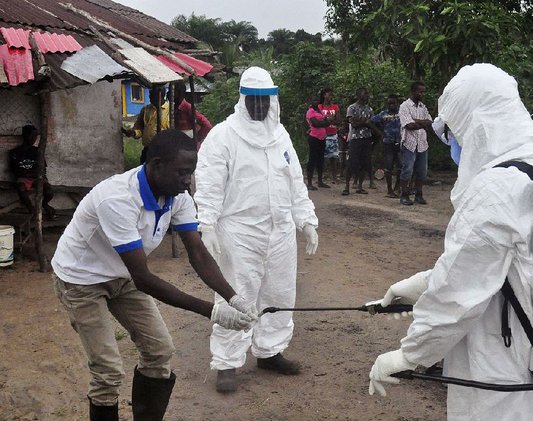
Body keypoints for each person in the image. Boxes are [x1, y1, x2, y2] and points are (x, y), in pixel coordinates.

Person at [368, 64, 533, 420]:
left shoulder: (495, 189)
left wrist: (410, 354)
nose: (455, 142)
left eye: (456, 130)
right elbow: (505, 263)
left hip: (508, 371)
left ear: (477, 124)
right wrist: (421, 284)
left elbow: (458, 293)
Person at [51, 129, 257, 420]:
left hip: (122, 276)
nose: (188, 180)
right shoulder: (118, 198)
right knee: (108, 370)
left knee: (159, 352)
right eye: (182, 172)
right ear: (156, 164)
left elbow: (197, 253)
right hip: (81, 280)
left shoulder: (177, 195)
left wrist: (234, 298)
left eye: (191, 172)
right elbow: (144, 278)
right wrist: (213, 312)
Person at [194, 66, 319, 394]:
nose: (261, 107)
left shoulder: (281, 136)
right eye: (255, 100)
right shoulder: (223, 135)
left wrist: (306, 220)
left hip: (280, 232)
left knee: (279, 293)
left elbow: (295, 181)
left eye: (266, 100)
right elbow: (208, 183)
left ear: (273, 101)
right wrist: (205, 224)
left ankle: (270, 350)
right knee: (237, 294)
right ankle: (227, 361)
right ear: (243, 99)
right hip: (239, 232)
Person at [8, 124, 56, 220]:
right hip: (24, 178)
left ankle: (45, 205)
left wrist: (33, 174)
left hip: (37, 178)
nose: (34, 138)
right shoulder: (15, 152)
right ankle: (32, 211)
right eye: (32, 135)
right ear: (24, 135)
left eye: (35, 136)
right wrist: (30, 173)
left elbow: (43, 169)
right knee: (21, 189)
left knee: (49, 192)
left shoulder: (38, 151)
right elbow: (15, 171)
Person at [398, 82, 433, 205]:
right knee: (407, 169)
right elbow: (409, 125)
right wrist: (422, 123)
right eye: (420, 92)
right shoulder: (404, 106)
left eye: (423, 92)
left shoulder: (423, 107)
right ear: (413, 91)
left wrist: (416, 121)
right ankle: (404, 195)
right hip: (409, 142)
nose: (422, 94)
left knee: (422, 171)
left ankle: (419, 194)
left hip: (422, 143)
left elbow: (430, 123)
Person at [343, 88, 378, 195]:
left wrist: (363, 123)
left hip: (366, 138)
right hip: (355, 138)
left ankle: (359, 186)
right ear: (359, 95)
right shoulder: (352, 108)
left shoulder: (369, 109)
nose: (367, 95)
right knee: (352, 162)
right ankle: (347, 186)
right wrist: (366, 123)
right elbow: (353, 123)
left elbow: (371, 124)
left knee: (364, 162)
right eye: (365, 93)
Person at [123, 85, 170, 164]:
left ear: (161, 95)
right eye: (149, 95)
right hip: (148, 149)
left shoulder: (170, 110)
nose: (150, 97)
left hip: (164, 150)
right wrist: (134, 133)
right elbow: (139, 127)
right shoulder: (146, 109)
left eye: (152, 95)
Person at [371, 95, 402, 198]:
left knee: (400, 166)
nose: (391, 105)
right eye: (389, 103)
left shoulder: (402, 113)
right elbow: (372, 121)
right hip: (388, 143)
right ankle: (389, 190)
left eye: (393, 103)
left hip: (400, 142)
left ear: (397, 103)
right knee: (388, 167)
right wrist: (379, 132)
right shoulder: (383, 114)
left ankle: (397, 187)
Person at [174, 81, 213, 149]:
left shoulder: (187, 108)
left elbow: (207, 125)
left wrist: (196, 138)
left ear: (179, 93)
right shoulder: (174, 108)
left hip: (189, 148)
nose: (168, 93)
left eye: (172, 91)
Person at [306, 95, 332, 190]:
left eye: (317, 100)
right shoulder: (310, 112)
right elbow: (316, 124)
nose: (316, 101)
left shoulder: (319, 111)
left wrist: (323, 123)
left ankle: (320, 181)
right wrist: (324, 123)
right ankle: (309, 183)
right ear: (311, 101)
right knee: (312, 159)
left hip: (322, 138)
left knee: (320, 160)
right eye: (314, 100)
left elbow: (327, 122)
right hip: (314, 138)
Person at [319, 88, 341, 183]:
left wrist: (332, 120)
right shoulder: (319, 107)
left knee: (333, 157)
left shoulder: (335, 107)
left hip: (332, 133)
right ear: (324, 95)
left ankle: (334, 177)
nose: (330, 97)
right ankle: (321, 177)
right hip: (322, 134)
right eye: (328, 95)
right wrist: (327, 120)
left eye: (331, 95)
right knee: (321, 156)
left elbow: (339, 121)